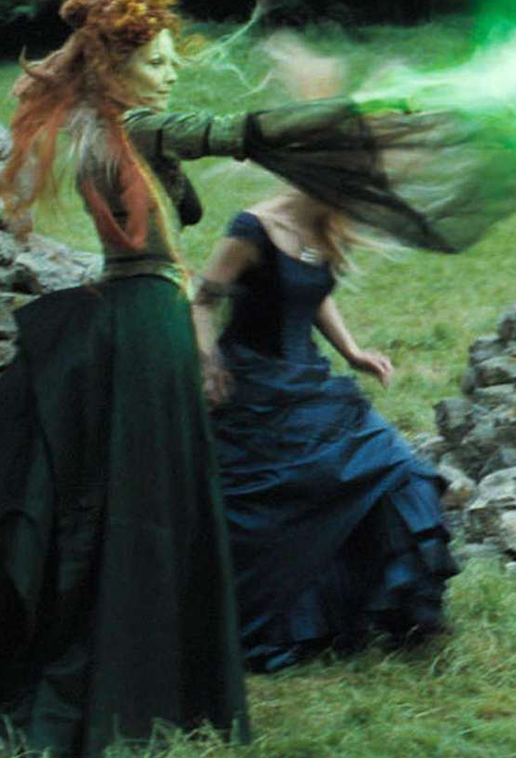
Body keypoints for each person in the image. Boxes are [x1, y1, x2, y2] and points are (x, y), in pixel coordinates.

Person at [0, 0, 250, 756]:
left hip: (142, 317)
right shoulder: (129, 127)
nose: (170, 74)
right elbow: (222, 131)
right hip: (143, 321)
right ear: (114, 67)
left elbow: (182, 204)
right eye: (157, 61)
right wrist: (341, 119)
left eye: (173, 61)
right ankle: (135, 680)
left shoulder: (112, 130)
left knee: (139, 491)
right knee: (144, 497)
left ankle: (143, 669)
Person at [191, 46, 456, 671]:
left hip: (307, 380)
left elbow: (314, 292)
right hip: (253, 386)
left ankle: (407, 615)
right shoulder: (253, 228)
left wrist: (353, 351)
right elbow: (203, 299)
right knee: (275, 509)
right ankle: (277, 617)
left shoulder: (325, 228)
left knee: (400, 471)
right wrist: (207, 361)